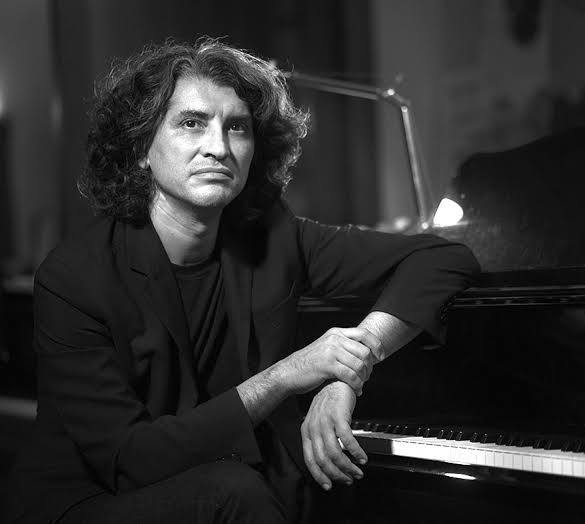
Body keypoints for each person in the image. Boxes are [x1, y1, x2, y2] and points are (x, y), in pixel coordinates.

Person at [5, 38, 479, 523]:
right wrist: (285, 376)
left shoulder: (272, 236)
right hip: (90, 502)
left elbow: (442, 258)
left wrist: (350, 370)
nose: (219, 148)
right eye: (191, 123)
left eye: (237, 127)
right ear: (141, 148)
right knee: (235, 491)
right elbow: (132, 460)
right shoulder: (74, 278)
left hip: (226, 485)